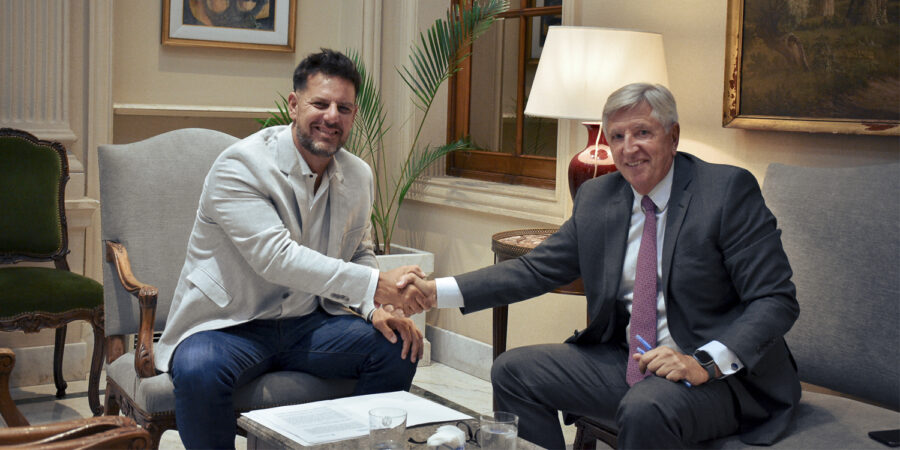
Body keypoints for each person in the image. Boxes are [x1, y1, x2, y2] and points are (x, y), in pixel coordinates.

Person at [389, 83, 801, 448]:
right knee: (513, 371)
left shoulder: (726, 192)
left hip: (720, 378)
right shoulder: (600, 197)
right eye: (617, 136)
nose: (628, 148)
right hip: (631, 359)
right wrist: (433, 291)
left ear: (673, 137)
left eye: (642, 132)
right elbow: (536, 269)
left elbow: (775, 299)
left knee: (647, 407)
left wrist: (703, 363)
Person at [155, 49, 430, 449]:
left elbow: (357, 252)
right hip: (229, 325)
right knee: (198, 368)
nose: (332, 116)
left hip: (308, 324)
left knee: (398, 347)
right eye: (320, 103)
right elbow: (276, 258)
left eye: (344, 107)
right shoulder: (240, 166)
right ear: (294, 104)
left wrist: (379, 309)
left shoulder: (359, 175)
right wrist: (375, 285)